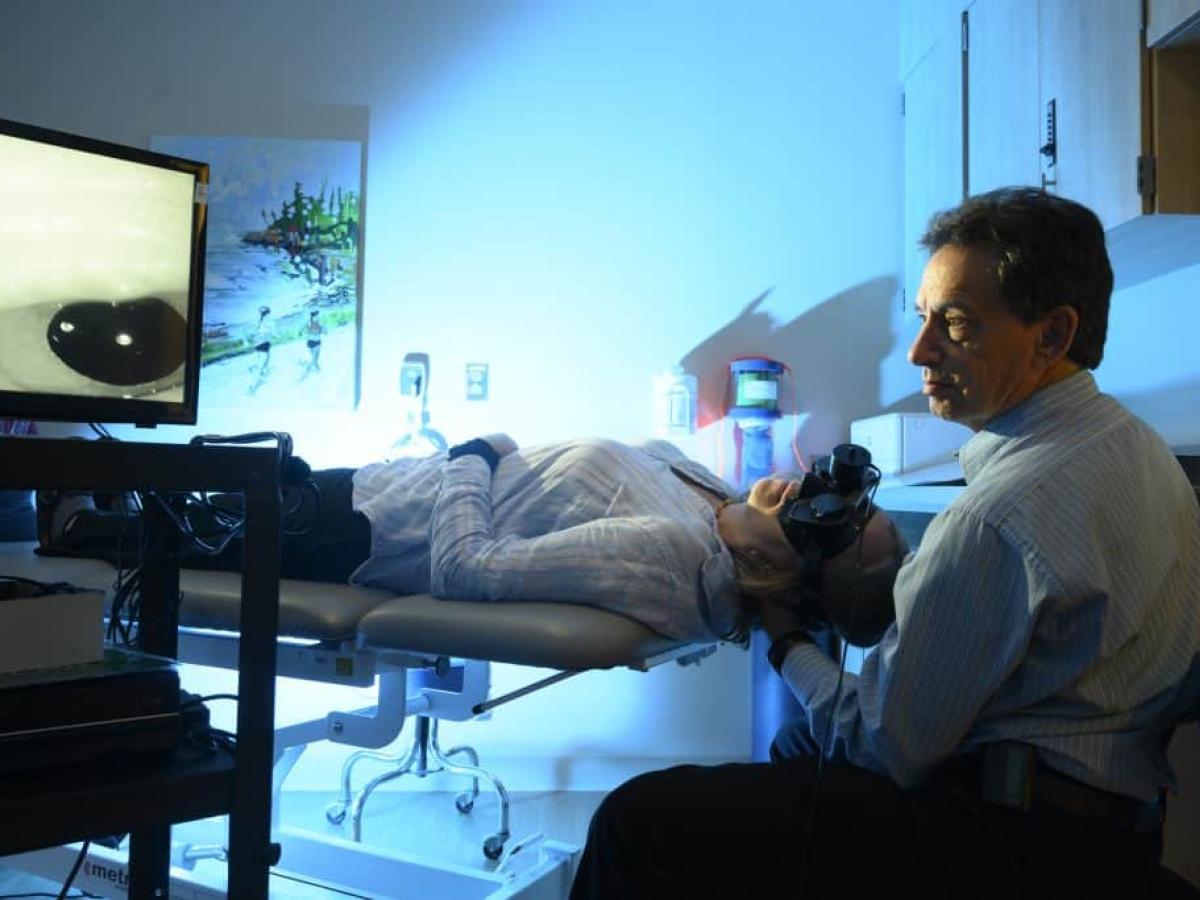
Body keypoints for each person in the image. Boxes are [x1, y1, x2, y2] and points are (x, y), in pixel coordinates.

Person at [569, 188, 1200, 899]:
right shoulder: (1144, 454)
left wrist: (782, 633)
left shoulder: (996, 517)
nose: (919, 349)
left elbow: (881, 745)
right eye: (924, 315)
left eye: (955, 323)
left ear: (1051, 336)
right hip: (1116, 833)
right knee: (794, 752)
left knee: (637, 820)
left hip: (1011, 851)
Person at [43, 435, 906, 646]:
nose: (810, 495)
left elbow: (466, 569)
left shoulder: (672, 557)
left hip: (364, 534)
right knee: (165, 488)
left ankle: (61, 525)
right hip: (376, 493)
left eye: (821, 524)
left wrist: (470, 452)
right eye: (839, 496)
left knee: (84, 528)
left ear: (769, 570)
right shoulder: (709, 493)